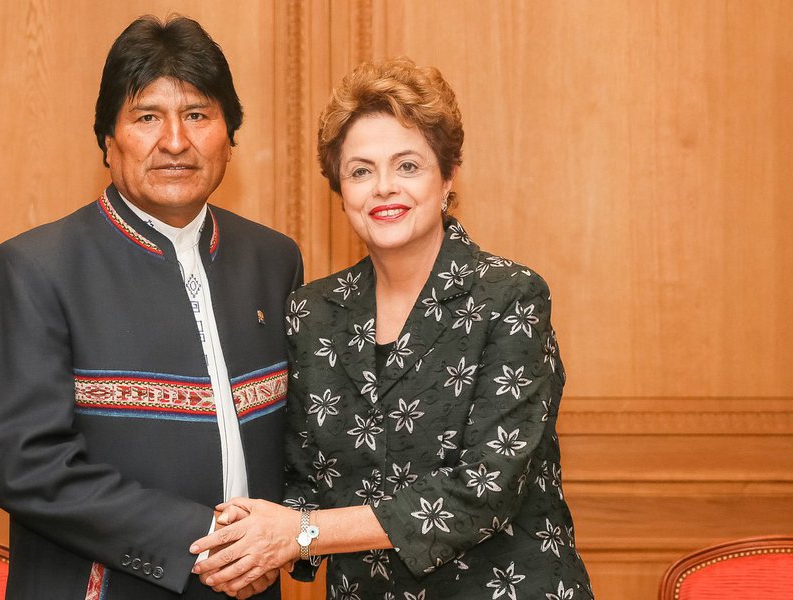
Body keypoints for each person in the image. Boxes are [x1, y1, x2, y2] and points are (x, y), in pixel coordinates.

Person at [189, 57, 594, 599]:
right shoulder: (312, 313)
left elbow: (486, 489)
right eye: (361, 171)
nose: (383, 188)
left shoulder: (510, 297)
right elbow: (303, 480)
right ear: (341, 191)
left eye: (408, 166)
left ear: (448, 177)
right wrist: (249, 551)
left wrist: (299, 534)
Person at [0, 15, 302, 600]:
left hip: (253, 584)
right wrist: (208, 540)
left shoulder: (273, 260)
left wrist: (295, 536)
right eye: (147, 117)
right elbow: (28, 467)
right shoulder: (35, 268)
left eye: (197, 115)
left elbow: (301, 438)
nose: (175, 141)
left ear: (230, 136)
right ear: (108, 140)